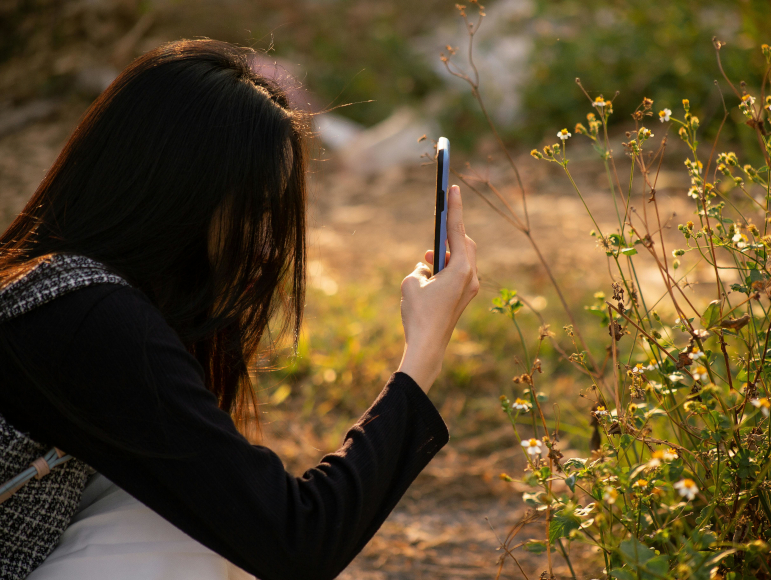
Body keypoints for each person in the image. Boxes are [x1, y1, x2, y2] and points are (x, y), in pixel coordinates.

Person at [0, 39, 479, 580]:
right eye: (255, 211)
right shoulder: (89, 318)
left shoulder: (54, 287)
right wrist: (422, 354)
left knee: (185, 507)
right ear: (181, 194)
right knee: (183, 534)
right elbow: (296, 539)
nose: (269, 246)